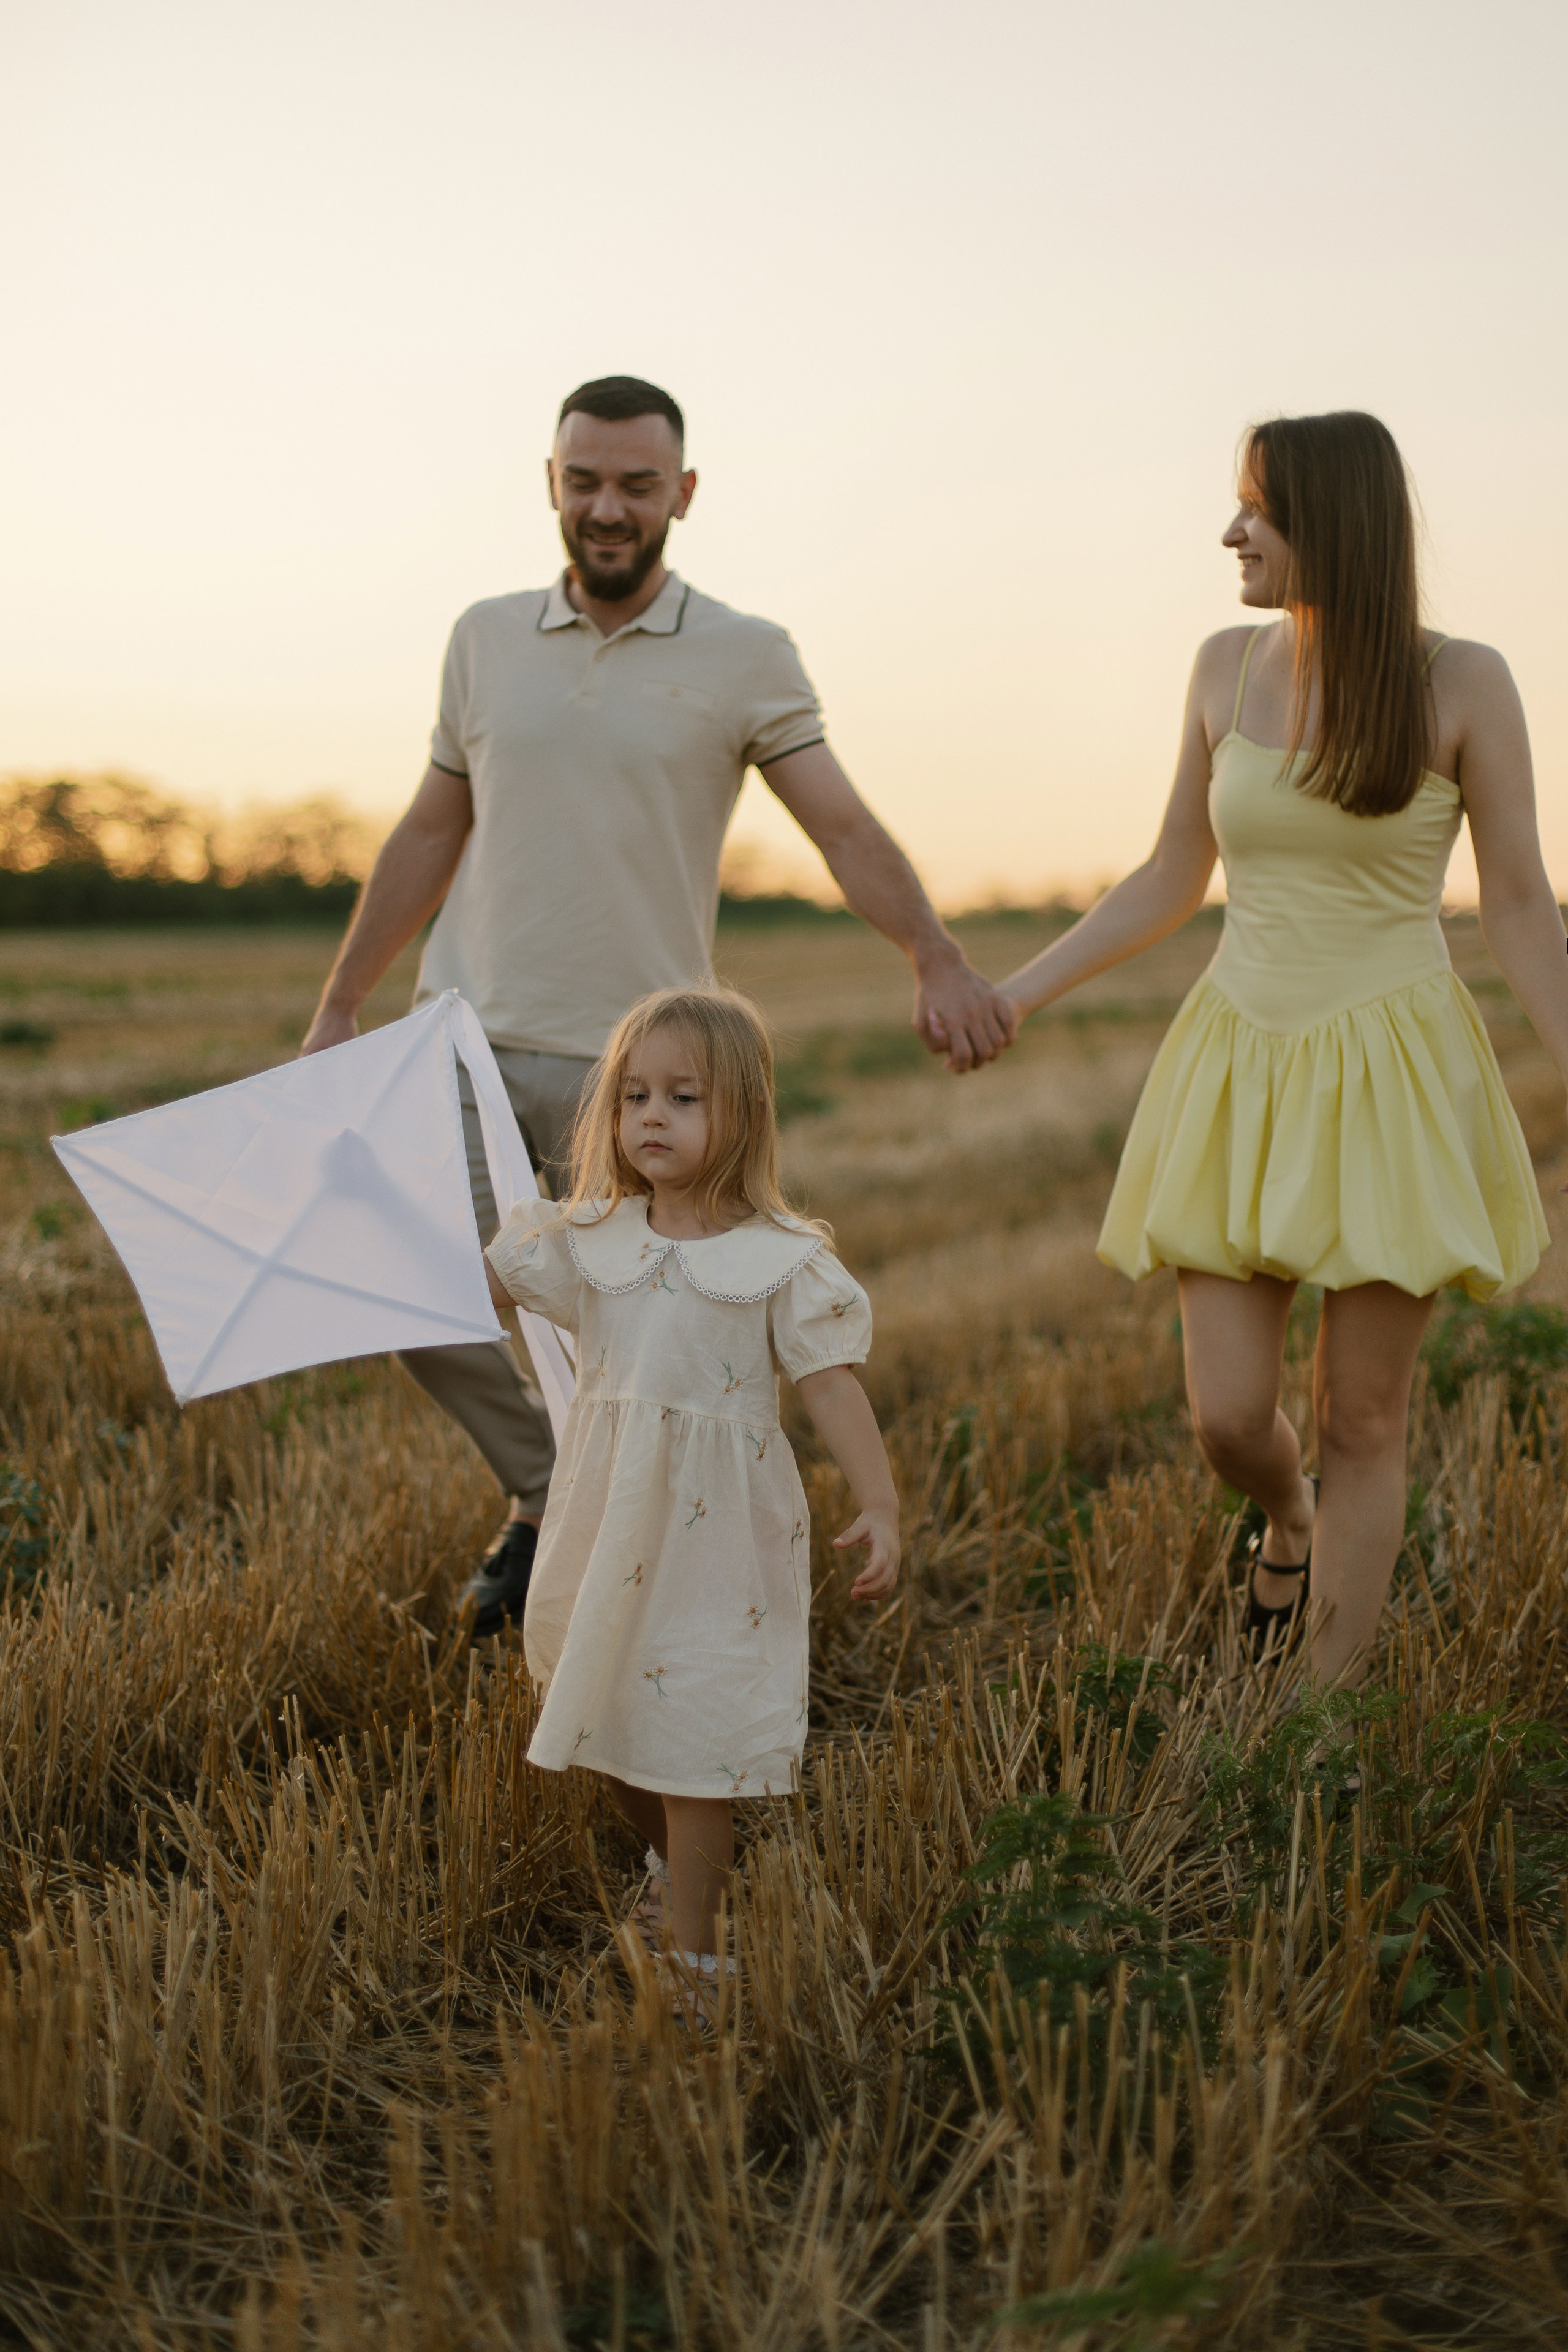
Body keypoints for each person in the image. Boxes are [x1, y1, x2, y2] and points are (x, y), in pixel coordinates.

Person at [301, 374, 1012, 1638]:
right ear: (551, 486)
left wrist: (935, 955)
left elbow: (838, 825)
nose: (607, 508)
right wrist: (342, 999)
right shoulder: (481, 636)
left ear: (681, 494)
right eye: (584, 482)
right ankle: (552, 1492)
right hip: (456, 1041)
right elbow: (429, 826)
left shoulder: (745, 654)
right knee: (410, 1294)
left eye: (636, 485)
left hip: (636, 1072)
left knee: (641, 1341)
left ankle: (624, 1579)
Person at [993, 409, 1566, 1688]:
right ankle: (1282, 1516)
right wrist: (1015, 994)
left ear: (1331, 522)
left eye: (1253, 508)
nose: (1229, 531)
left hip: (1396, 1074)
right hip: (1239, 1061)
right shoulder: (1219, 665)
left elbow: (1519, 904)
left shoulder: (1463, 680)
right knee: (1227, 1414)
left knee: (1360, 1415)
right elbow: (1163, 876)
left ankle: (1315, 1718)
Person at [483, 985, 899, 2008]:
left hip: (718, 1537)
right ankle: (674, 1866)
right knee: (606, 1705)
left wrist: (882, 1504)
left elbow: (831, 1387)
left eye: (683, 1097)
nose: (651, 1118)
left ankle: (698, 1952)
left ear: (744, 1116)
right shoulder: (594, 1239)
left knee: (697, 1733)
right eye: (632, 1097)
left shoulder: (780, 1261)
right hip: (604, 1517)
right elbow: (485, 1286)